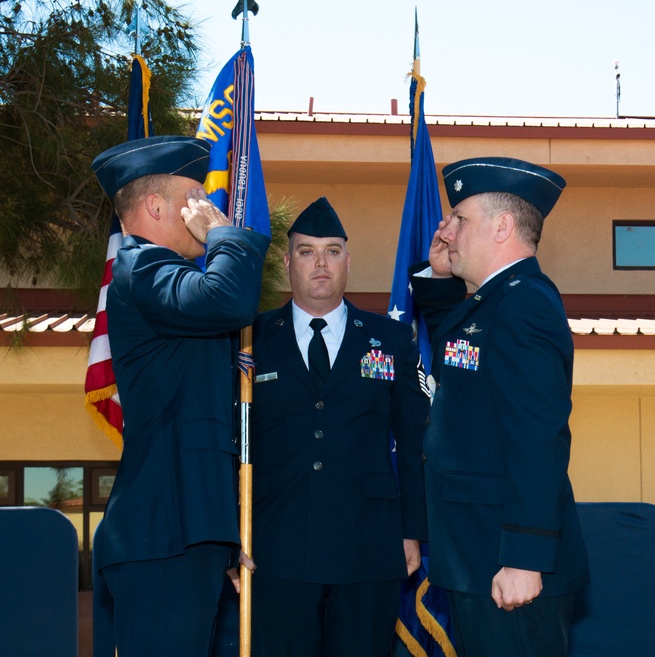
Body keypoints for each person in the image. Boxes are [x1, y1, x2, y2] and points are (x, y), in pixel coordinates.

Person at [91, 135, 270, 656]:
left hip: (185, 533)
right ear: (154, 206)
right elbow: (227, 300)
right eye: (196, 195)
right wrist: (225, 236)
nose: (208, 209)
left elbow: (204, 421)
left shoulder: (169, 286)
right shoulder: (141, 268)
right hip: (160, 536)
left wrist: (224, 533)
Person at [409, 157, 589, 657]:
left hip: (507, 563)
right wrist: (439, 276)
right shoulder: (494, 302)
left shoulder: (524, 304)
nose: (446, 230)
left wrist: (525, 558)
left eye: (460, 218)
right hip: (478, 555)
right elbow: (456, 358)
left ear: (503, 226)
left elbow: (538, 437)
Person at [250, 197, 427, 656]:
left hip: (368, 545)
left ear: (348, 260)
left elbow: (413, 440)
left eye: (332, 250)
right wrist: (235, 536)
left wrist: (412, 532)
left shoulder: (389, 338)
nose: (321, 263)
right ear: (288, 263)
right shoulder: (252, 339)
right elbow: (234, 443)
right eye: (307, 251)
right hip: (276, 546)